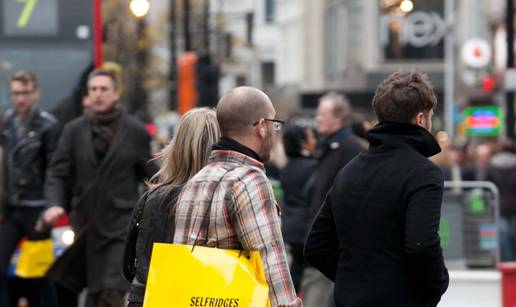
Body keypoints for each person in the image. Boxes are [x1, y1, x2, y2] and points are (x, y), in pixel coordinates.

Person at [304, 70, 449, 306]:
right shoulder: (423, 173)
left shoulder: (349, 171)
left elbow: (317, 246)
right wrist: (434, 287)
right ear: (420, 119)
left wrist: (351, 282)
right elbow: (422, 244)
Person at [173, 86, 302, 307]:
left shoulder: (196, 181)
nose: (275, 131)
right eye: (274, 124)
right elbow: (270, 262)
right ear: (261, 127)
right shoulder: (250, 180)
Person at [41, 68, 158, 307]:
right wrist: (54, 204)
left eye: (103, 89)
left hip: (120, 227)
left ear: (116, 94)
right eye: (93, 89)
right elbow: (57, 172)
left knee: (111, 290)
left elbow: (153, 174)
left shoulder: (135, 131)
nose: (97, 94)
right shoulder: (73, 130)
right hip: (84, 226)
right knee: (72, 287)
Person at [122, 107, 220, 307]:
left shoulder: (152, 198)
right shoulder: (223, 197)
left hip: (151, 297)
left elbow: (130, 265)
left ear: (176, 146)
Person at [0, 70, 60, 307]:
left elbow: (55, 170)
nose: (20, 99)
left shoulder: (48, 126)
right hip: (11, 209)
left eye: (25, 93)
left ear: (35, 93)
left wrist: (50, 207)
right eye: (15, 93)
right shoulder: (5, 121)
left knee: (40, 274)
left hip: (37, 209)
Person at [303, 92, 365, 307]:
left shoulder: (352, 149)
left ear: (338, 118)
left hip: (335, 246)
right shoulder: (328, 147)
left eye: (322, 113)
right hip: (321, 244)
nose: (317, 118)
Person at [279, 125, 317, 293]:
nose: (314, 141)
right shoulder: (314, 167)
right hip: (307, 228)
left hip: (290, 228)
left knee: (296, 269)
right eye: (311, 137)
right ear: (303, 143)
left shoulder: (287, 169)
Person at [486, 140, 516, 262]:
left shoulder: (492, 165)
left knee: (503, 237)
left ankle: (507, 262)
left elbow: (486, 184)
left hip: (499, 206)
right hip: (514, 206)